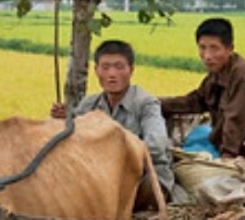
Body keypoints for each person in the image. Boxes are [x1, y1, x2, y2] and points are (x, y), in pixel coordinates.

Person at [51, 39, 175, 200]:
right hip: (100, 177)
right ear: (96, 70)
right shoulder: (90, 104)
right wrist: (63, 120)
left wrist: (112, 153)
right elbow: (73, 138)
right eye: (106, 67)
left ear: (131, 70)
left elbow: (157, 146)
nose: (112, 75)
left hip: (144, 177)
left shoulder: (146, 103)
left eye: (119, 67)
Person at [159, 17, 245, 161]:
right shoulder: (217, 72)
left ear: (229, 49)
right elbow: (196, 101)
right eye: (202, 48)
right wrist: (157, 104)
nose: (207, 56)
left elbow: (235, 119)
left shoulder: (241, 76)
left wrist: (227, 156)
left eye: (214, 48)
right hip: (219, 140)